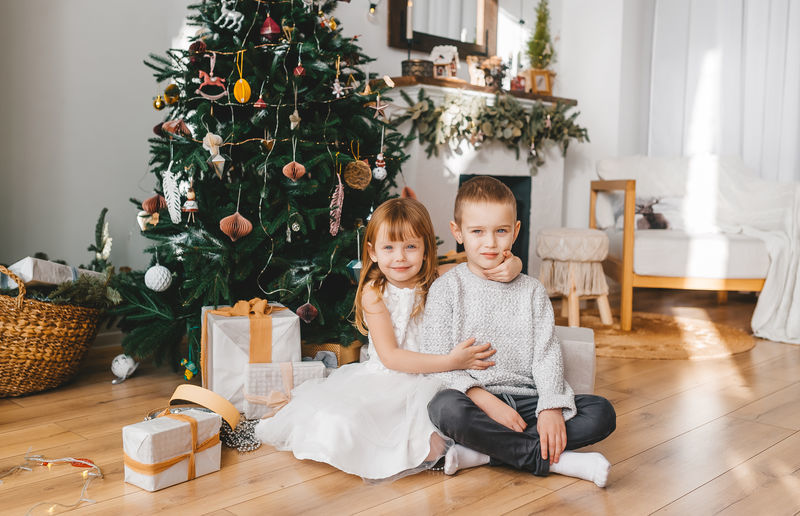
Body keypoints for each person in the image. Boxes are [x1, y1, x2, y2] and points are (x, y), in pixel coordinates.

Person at [255, 197, 522, 482]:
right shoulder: (374, 292)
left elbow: (483, 267)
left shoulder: (437, 280)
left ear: (425, 249)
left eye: (410, 247)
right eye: (389, 248)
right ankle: (472, 454)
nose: (400, 257)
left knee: (434, 437)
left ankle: (474, 453)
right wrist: (451, 360)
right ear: (372, 252)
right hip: (390, 379)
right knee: (344, 425)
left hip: (434, 380)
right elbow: (392, 357)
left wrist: (515, 264)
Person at [421, 176, 617, 487]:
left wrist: (551, 406)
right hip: (474, 402)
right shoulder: (446, 290)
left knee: (601, 412)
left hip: (529, 400)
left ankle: (485, 454)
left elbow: (547, 352)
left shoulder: (532, 291)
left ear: (515, 230)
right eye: (477, 232)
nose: (490, 243)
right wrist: (484, 399)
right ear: (457, 232)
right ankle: (557, 462)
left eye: (501, 231)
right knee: (444, 409)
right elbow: (436, 359)